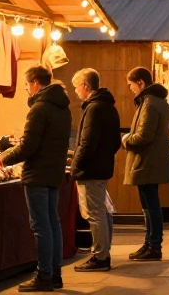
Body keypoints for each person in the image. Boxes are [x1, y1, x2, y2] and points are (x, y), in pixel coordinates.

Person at [0, 66, 71, 292]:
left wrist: (2, 159)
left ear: (34, 84)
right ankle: (55, 274)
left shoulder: (39, 109)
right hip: (54, 172)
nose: (26, 91)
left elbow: (29, 146)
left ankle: (44, 276)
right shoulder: (63, 108)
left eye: (26, 86)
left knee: (41, 226)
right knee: (53, 224)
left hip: (38, 174)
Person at [69, 68, 121, 272]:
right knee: (103, 211)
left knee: (94, 213)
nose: (76, 92)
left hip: (90, 170)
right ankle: (104, 251)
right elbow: (115, 142)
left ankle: (100, 256)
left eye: (76, 87)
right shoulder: (108, 106)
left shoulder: (94, 108)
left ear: (85, 86)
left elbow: (86, 143)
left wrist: (76, 166)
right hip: (102, 167)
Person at [123, 68, 169, 260]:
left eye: (131, 84)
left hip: (147, 161)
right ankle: (150, 242)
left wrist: (126, 139)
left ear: (141, 82)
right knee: (149, 204)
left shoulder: (149, 103)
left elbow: (144, 135)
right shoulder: (154, 101)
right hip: (151, 161)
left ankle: (153, 244)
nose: (130, 88)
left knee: (150, 204)